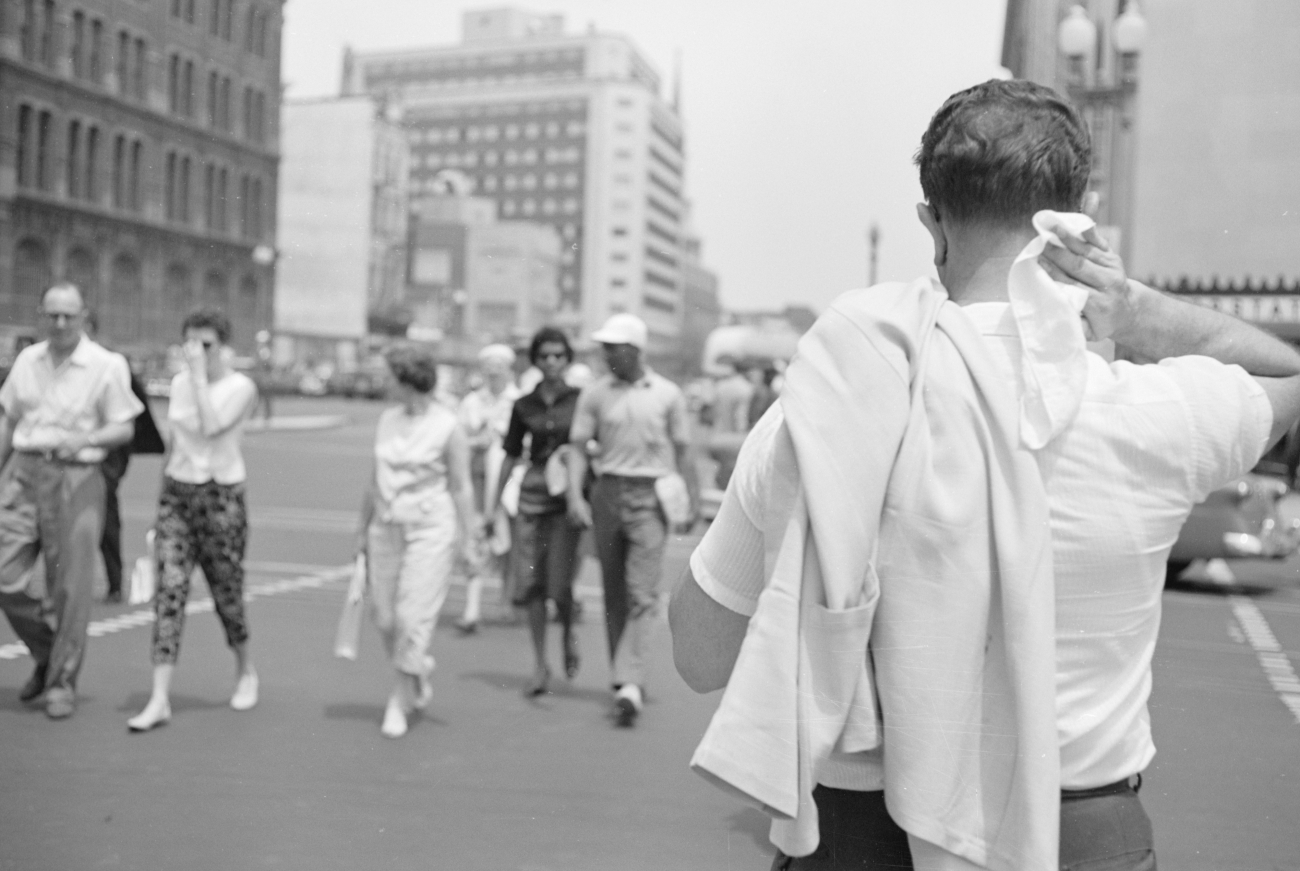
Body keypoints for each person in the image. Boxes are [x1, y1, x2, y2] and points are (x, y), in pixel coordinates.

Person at [670, 78, 1300, 871]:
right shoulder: (1160, 411)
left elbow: (698, 654)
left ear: (932, 223)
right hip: (1081, 836)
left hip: (859, 835)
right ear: (1079, 217)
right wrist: (1145, 316)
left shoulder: (819, 410)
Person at [0, 283, 144, 719]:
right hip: (25, 471)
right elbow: (8, 421)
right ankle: (47, 653)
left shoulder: (106, 365)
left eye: (68, 315)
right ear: (41, 315)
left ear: (84, 315)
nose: (60, 323)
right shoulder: (28, 360)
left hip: (78, 477)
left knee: (71, 587)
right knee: (5, 574)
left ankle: (62, 681)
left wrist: (88, 437)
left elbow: (124, 427)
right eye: (52, 315)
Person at [126, 309, 261, 732]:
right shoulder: (181, 383)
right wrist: (161, 504)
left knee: (227, 593)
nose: (197, 353)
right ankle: (160, 696)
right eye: (191, 344)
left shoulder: (241, 387)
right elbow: (177, 443)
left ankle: (245, 669)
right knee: (170, 591)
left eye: (207, 345)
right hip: (179, 497)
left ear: (223, 346)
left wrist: (201, 378)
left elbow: (212, 427)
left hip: (221, 497)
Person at [567, 313, 699, 728]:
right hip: (607, 492)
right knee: (613, 592)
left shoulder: (667, 394)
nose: (607, 355)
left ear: (636, 350)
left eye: (614, 348)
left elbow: (684, 450)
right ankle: (622, 678)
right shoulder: (595, 394)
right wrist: (575, 494)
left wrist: (691, 500)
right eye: (604, 347)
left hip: (649, 497)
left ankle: (630, 680)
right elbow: (575, 446)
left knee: (642, 592)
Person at [356, 343, 481, 738]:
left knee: (413, 618)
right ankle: (416, 670)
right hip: (386, 526)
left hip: (430, 528)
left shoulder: (447, 425)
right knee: (385, 619)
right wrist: (361, 530)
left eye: (390, 375)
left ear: (407, 379)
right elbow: (374, 479)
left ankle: (398, 698)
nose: (385, 382)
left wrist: (469, 540)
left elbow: (461, 487)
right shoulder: (388, 419)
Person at [496, 327, 584, 696]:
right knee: (532, 583)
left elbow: (588, 445)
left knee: (559, 584)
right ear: (535, 359)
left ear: (567, 359)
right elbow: (511, 453)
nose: (551, 362)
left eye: (558, 355)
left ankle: (567, 633)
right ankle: (539, 664)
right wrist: (492, 507)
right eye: (545, 355)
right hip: (532, 496)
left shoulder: (581, 400)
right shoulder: (523, 405)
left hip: (567, 498)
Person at [84, 311, 165, 604]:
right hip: (74, 457)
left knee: (106, 518)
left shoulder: (110, 365)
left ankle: (115, 582)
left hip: (107, 457)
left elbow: (133, 412)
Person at [456, 343, 522, 632]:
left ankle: (505, 600)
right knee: (475, 539)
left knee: (506, 542)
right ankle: (471, 610)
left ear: (508, 370)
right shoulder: (471, 402)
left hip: (508, 485)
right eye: (489, 368)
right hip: (476, 480)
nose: (493, 373)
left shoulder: (519, 401)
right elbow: (456, 441)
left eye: (499, 367)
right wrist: (476, 441)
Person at [707, 356, 753, 490]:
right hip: (732, 440)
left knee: (720, 477)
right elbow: (740, 419)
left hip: (716, 437)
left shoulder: (721, 386)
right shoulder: (745, 388)